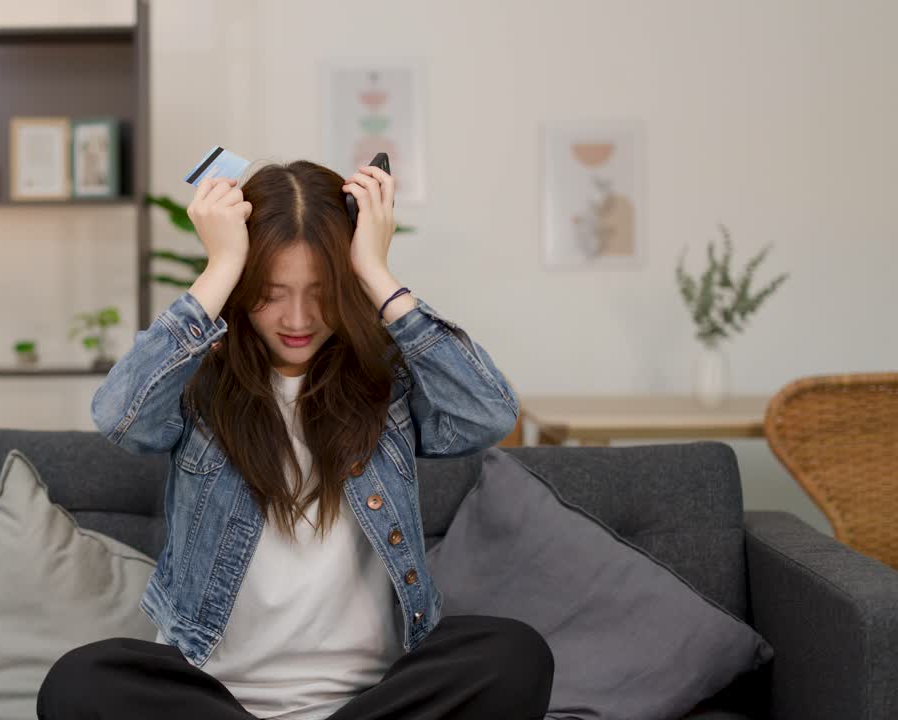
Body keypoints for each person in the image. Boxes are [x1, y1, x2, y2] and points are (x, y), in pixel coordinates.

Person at [38, 160, 554, 719]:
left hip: (372, 698)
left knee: (516, 656)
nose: (299, 318)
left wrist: (378, 273)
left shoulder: (390, 385)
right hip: (219, 700)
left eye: (322, 291)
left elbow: (489, 413)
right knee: (78, 682)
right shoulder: (196, 387)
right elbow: (119, 416)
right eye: (271, 292)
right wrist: (222, 263)